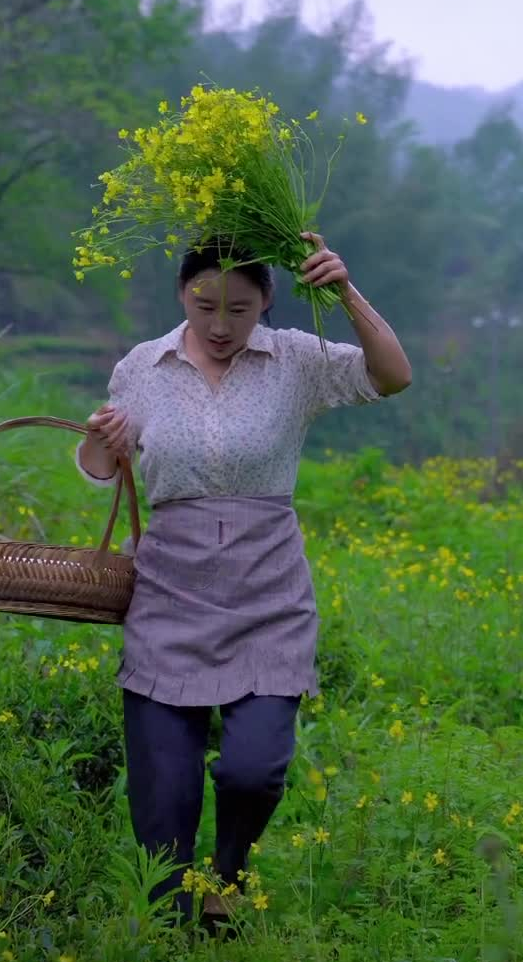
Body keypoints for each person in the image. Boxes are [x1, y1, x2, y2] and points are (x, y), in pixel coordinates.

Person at [75, 232, 411, 925]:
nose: (221, 325)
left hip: (268, 595)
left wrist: (344, 291)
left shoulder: (295, 361)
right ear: (182, 295)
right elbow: (104, 469)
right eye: (204, 306)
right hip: (168, 592)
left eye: (239, 309)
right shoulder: (143, 367)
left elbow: (392, 376)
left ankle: (227, 877)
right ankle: (169, 929)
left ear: (265, 302)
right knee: (163, 793)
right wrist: (98, 439)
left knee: (254, 768)